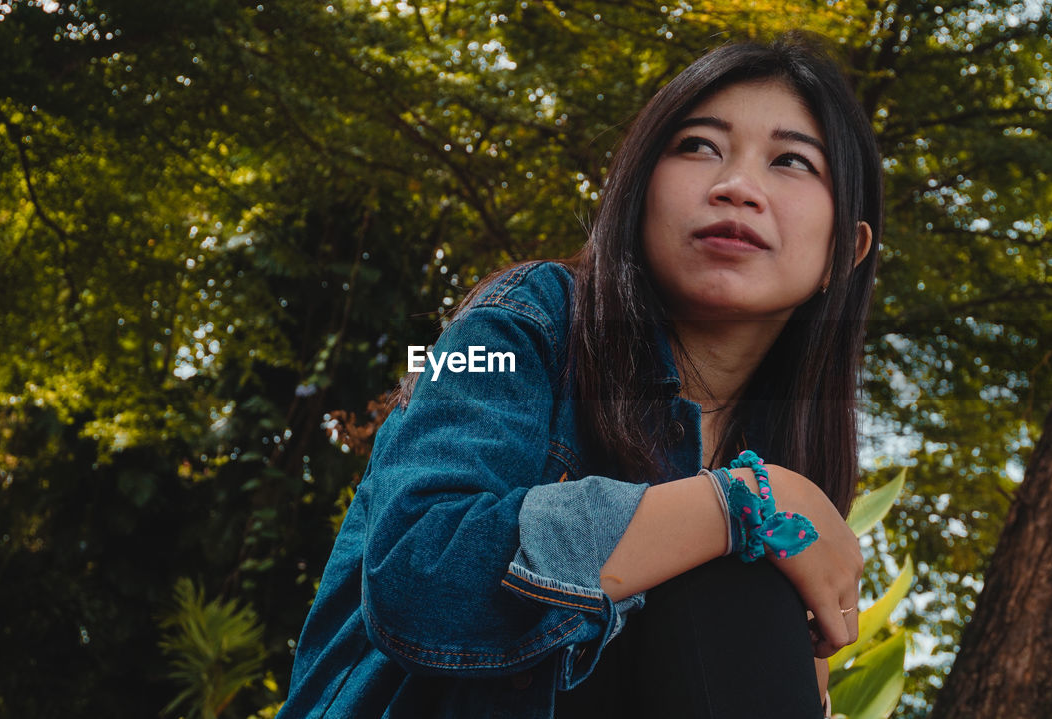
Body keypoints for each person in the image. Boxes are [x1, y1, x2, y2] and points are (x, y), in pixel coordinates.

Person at [278, 31, 881, 719]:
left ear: (846, 251)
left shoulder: (790, 452)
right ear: (638, 190)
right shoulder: (512, 326)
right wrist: (739, 503)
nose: (736, 186)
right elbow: (420, 567)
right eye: (698, 146)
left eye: (793, 161)